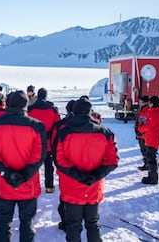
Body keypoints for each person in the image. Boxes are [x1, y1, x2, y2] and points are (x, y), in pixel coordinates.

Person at [53, 98, 118, 241]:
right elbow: (113, 161)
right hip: (94, 187)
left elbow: (59, 160)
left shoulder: (64, 132)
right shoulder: (105, 132)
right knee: (93, 223)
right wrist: (95, 175)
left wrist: (78, 175)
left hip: (71, 187)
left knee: (73, 226)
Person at [0, 90, 47, 242]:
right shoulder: (36, 126)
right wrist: (25, 174)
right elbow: (38, 156)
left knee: (4, 222)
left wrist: (6, 173)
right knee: (27, 223)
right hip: (28, 184)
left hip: (4, 183)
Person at [27, 87, 61, 193]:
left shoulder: (31, 108)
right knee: (48, 165)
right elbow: (58, 125)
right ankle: (49, 187)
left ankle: (32, 186)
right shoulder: (53, 108)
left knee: (33, 165)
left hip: (35, 142)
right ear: (46, 96)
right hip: (49, 142)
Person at [51, 99, 75, 231]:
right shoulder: (87, 125)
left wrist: (58, 165)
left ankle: (66, 222)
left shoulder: (60, 125)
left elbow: (55, 146)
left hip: (64, 167)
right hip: (83, 167)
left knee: (66, 195)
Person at [138, 95, 159, 185]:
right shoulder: (155, 112)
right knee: (150, 158)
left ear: (153, 103)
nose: (148, 104)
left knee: (151, 159)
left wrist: (140, 129)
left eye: (150, 102)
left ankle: (153, 179)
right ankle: (151, 176)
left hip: (153, 139)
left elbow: (149, 126)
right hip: (151, 138)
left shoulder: (156, 113)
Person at [135, 95, 150, 171]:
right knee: (143, 150)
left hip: (144, 134)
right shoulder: (141, 109)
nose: (139, 103)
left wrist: (141, 130)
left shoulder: (147, 111)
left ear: (145, 103)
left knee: (146, 150)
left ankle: (148, 165)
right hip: (140, 134)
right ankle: (146, 163)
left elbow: (147, 123)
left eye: (141, 102)